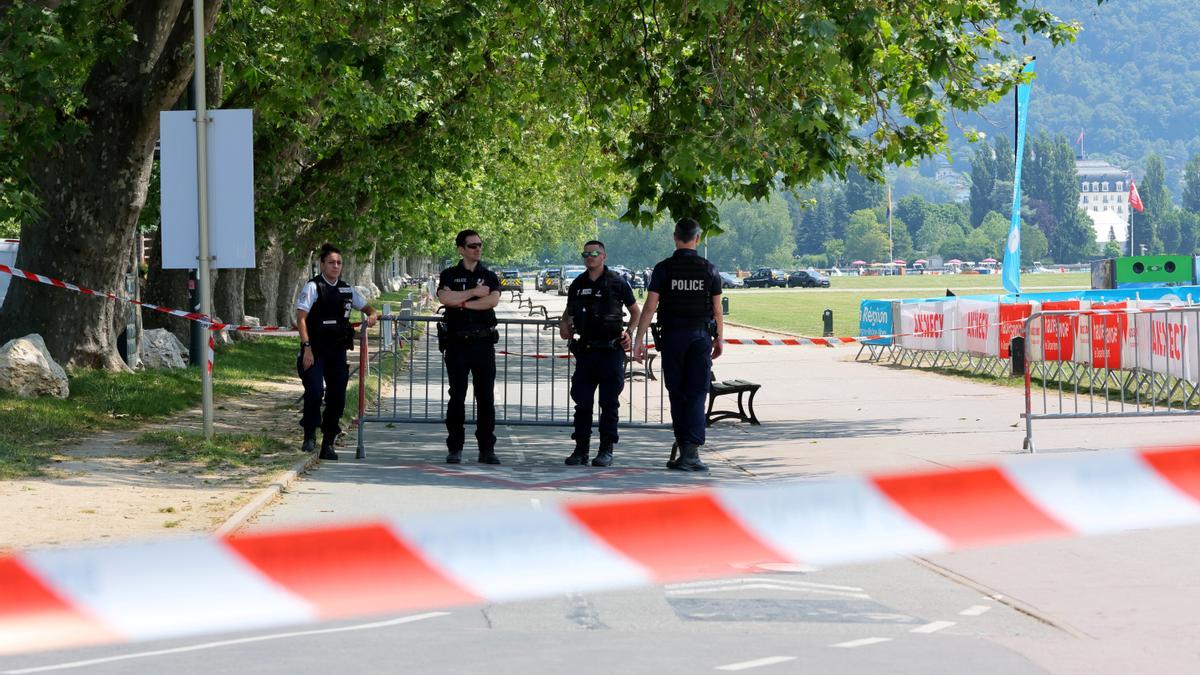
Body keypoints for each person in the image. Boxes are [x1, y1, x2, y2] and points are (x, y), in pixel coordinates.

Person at [633, 218, 724, 471]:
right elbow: (717, 310)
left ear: (675, 237)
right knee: (696, 393)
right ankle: (690, 453)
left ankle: (685, 449)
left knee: (677, 393)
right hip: (700, 338)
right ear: (698, 238)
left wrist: (639, 340)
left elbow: (650, 307)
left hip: (673, 337)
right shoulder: (709, 269)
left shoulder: (663, 269)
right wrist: (719, 339)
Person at [560, 240, 641, 467]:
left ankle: (606, 449)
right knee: (582, 403)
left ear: (604, 256)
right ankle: (581, 449)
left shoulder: (617, 282)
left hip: (610, 351)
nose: (589, 257)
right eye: (585, 254)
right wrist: (564, 326)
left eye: (594, 253)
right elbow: (567, 314)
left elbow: (635, 312)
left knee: (609, 403)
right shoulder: (577, 284)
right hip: (586, 352)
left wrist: (629, 333)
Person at [296, 243, 378, 461]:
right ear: (322, 264)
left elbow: (367, 307)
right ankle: (309, 434)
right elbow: (301, 319)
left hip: (337, 351)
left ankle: (328, 442)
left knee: (337, 397)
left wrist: (372, 314)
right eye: (331, 262)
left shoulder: (346, 289)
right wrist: (306, 348)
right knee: (314, 392)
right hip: (315, 350)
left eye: (339, 263)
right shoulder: (313, 287)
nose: (335, 266)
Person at [437, 229, 502, 465]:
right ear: (461, 249)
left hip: (483, 342)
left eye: (480, 245)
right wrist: (474, 293)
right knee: (457, 396)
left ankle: (487, 448)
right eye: (473, 245)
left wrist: (461, 302)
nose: (478, 249)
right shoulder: (449, 274)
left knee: (485, 397)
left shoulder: (489, 275)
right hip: (457, 343)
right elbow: (445, 299)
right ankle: (455, 447)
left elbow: (492, 301)